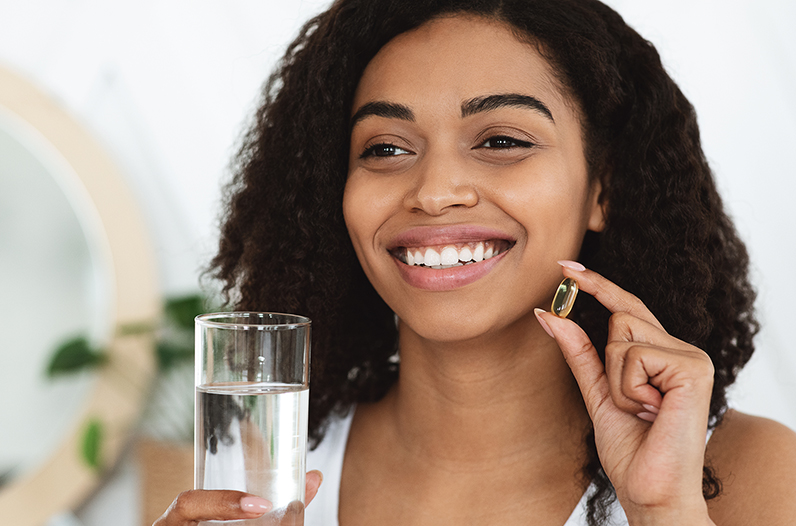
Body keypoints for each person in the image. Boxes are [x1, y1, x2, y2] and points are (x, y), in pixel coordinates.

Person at [155, 0, 796, 524]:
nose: (435, 192)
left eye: (500, 141)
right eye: (385, 148)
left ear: (604, 188)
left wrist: (664, 515)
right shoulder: (257, 472)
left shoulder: (752, 475)